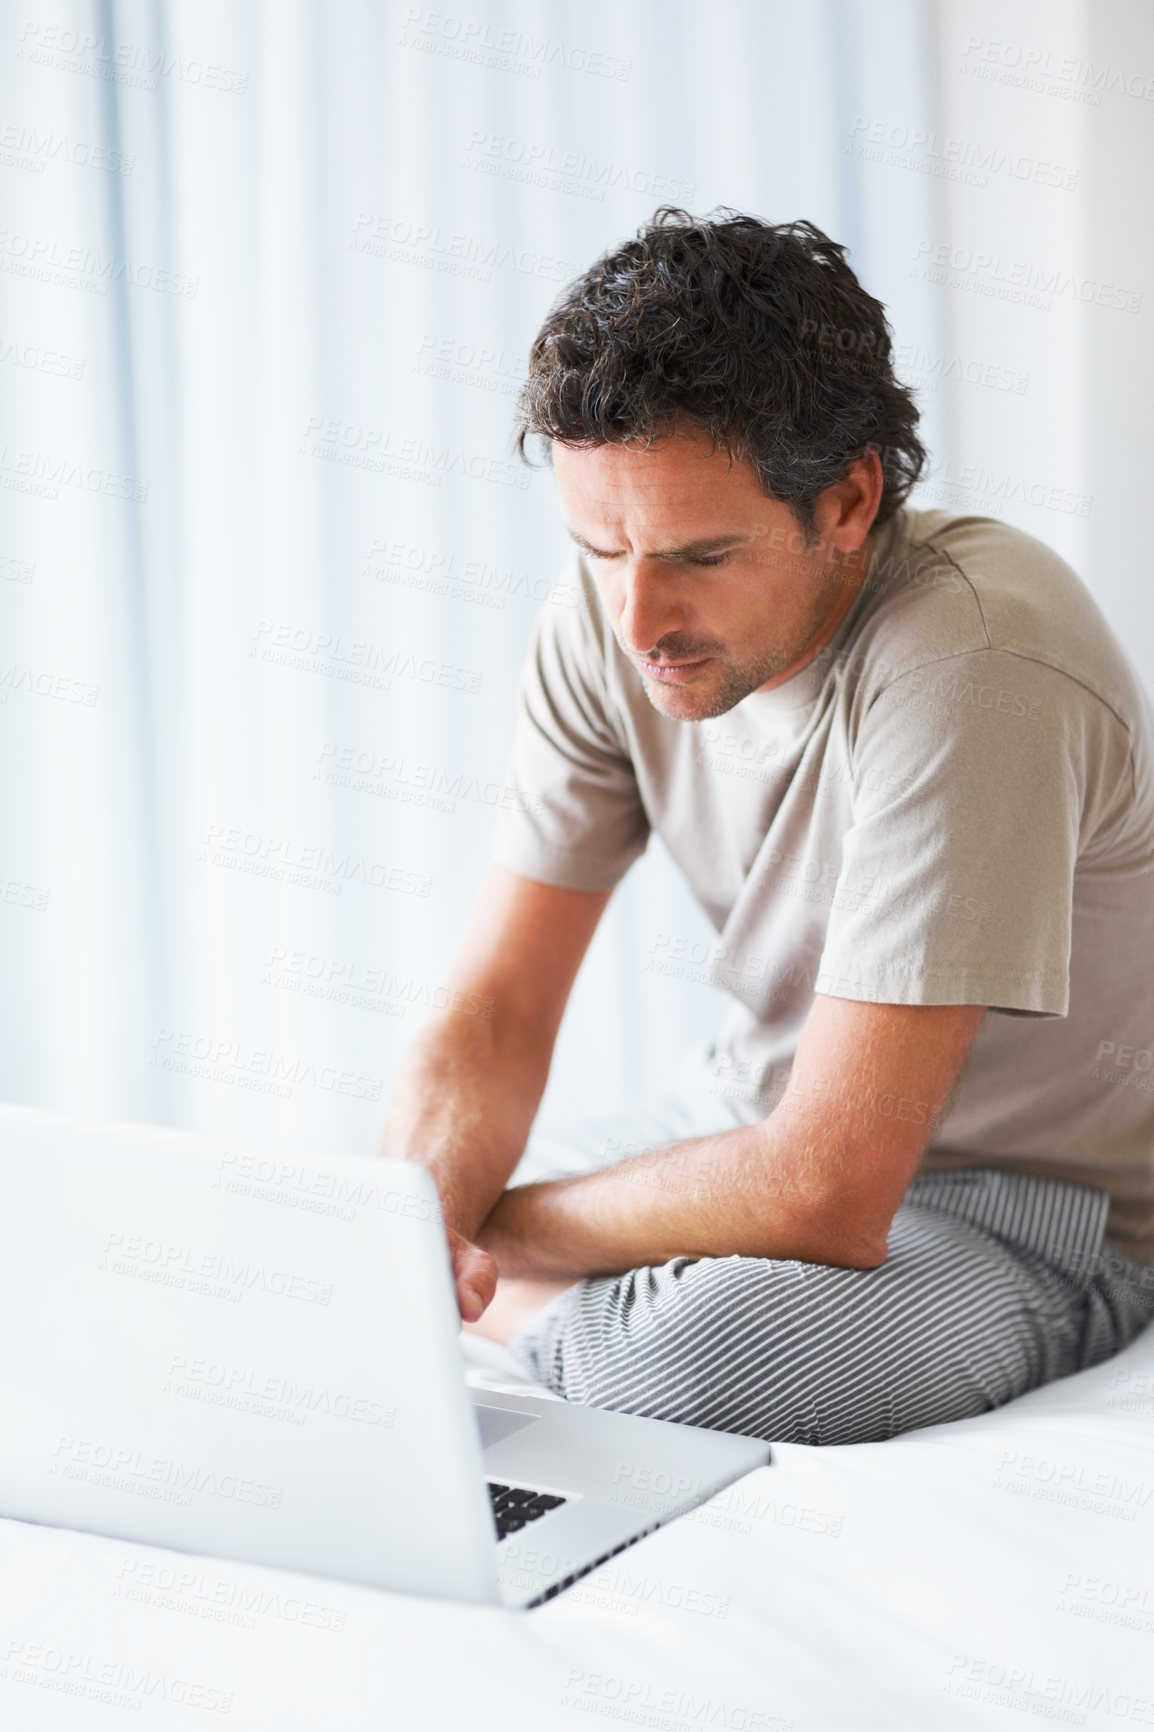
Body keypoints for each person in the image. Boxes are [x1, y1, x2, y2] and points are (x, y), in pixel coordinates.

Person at [380, 208, 1154, 1444]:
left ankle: (528, 1304)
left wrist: (476, 1233)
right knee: (347, 1215)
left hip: (1031, 1209)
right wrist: (415, 1215)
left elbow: (826, 1189)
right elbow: (497, 1008)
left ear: (848, 499)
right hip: (751, 1114)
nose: (639, 617)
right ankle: (533, 1302)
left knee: (701, 1354)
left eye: (698, 554)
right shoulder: (611, 617)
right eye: (600, 543)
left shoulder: (977, 658)